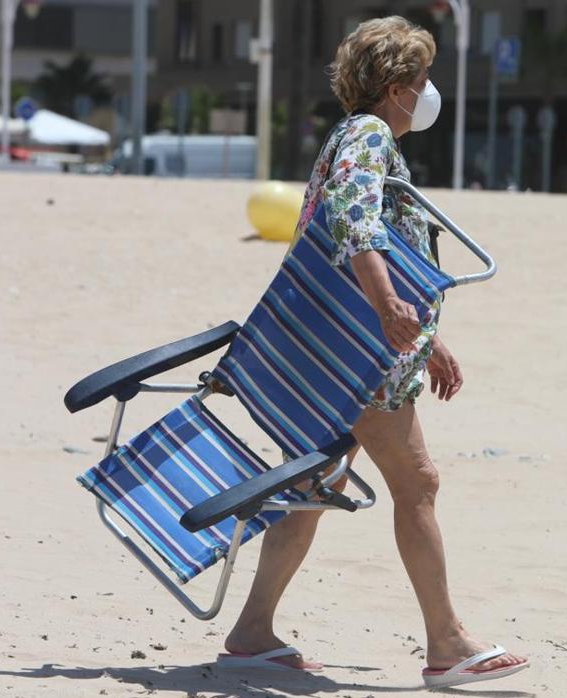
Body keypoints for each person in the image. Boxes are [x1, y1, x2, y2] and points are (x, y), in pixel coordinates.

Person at [217, 16, 528, 689]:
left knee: (312, 484)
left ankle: (249, 633)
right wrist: (391, 312)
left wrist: (426, 337)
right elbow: (356, 226)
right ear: (395, 88)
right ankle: (447, 643)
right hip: (356, 353)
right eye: (421, 80)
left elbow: (380, 246)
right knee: (417, 484)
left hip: (340, 344)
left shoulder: (349, 135)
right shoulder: (371, 134)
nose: (428, 91)